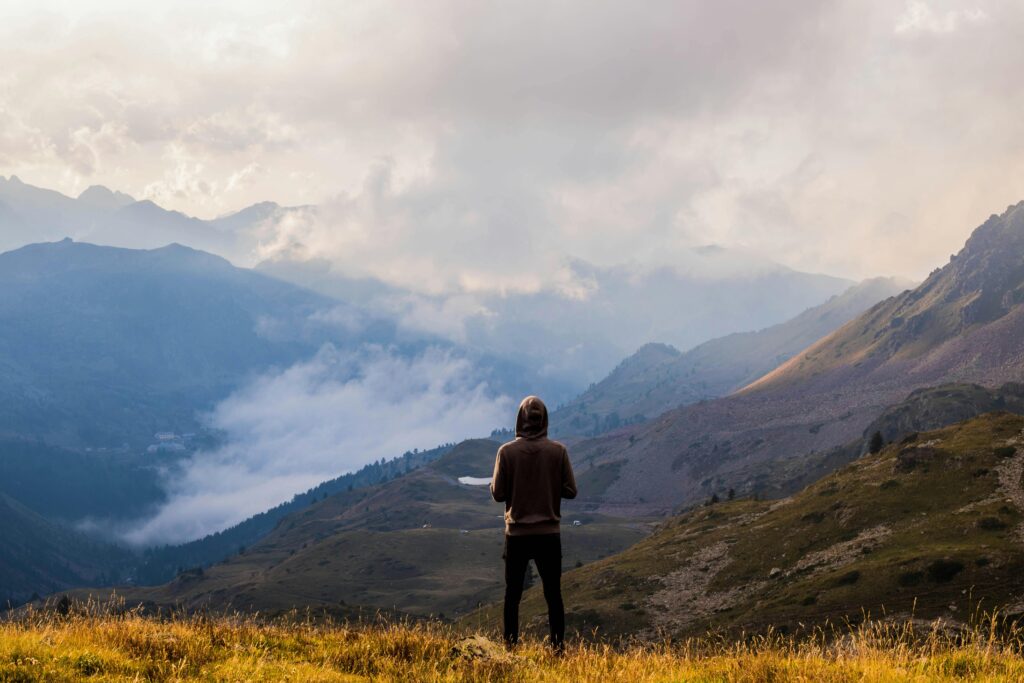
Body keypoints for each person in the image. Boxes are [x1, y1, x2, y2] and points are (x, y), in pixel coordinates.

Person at [490, 395, 577, 652]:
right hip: (548, 534)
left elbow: (498, 494)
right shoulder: (558, 452)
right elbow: (571, 490)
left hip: (516, 534)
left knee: (512, 595)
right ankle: (557, 648)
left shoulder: (506, 452)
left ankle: (511, 646)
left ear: (520, 419)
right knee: (553, 595)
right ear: (544, 420)